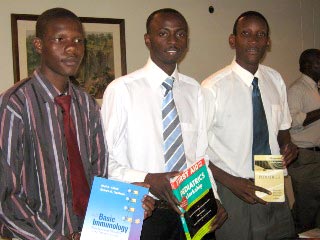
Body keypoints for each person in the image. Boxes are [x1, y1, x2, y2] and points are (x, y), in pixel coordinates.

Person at [0, 8, 154, 240]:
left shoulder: (86, 104)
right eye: (60, 39)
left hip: (90, 232)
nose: (72, 48)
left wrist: (128, 202)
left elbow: (97, 178)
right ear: (39, 45)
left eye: (78, 40)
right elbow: (6, 196)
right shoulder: (15, 104)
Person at [101, 8, 227, 240]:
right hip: (144, 211)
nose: (173, 41)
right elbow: (104, 162)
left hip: (194, 209)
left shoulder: (195, 91)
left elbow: (200, 158)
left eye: (180, 34)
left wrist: (214, 199)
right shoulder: (122, 90)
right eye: (163, 33)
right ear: (148, 39)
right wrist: (150, 179)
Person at [201, 11, 298, 240]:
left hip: (271, 176)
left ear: (268, 42)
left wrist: (288, 145)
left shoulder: (275, 80)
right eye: (246, 34)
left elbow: (282, 129)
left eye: (260, 34)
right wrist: (233, 182)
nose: (253, 41)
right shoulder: (212, 87)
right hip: (232, 186)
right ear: (232, 40)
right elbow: (196, 152)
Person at [287, 48, 320, 233]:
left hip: (316, 156)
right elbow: (292, 121)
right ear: (307, 66)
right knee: (306, 210)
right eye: (319, 62)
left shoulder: (315, 88)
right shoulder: (297, 89)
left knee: (316, 210)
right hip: (305, 157)